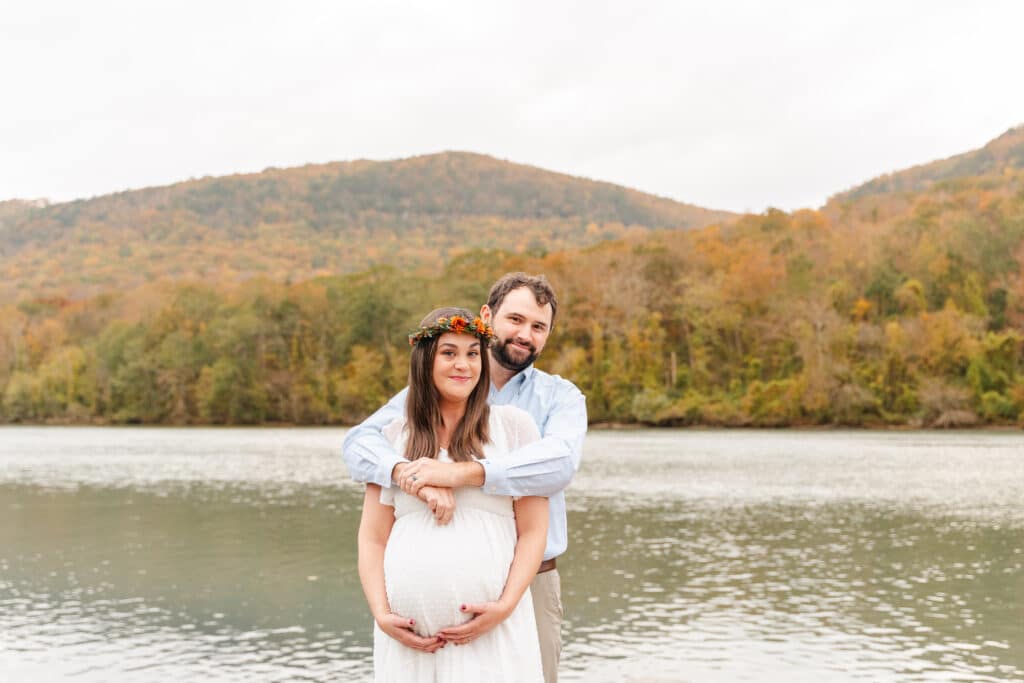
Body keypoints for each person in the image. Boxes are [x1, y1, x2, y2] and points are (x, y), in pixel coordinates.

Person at [345, 273, 587, 683]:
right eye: (515, 319)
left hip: (531, 578)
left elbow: (558, 466)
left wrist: (461, 474)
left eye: (538, 327)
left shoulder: (555, 400)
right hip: (414, 632)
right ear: (488, 316)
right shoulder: (418, 404)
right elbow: (360, 445)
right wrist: (413, 475)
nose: (525, 334)